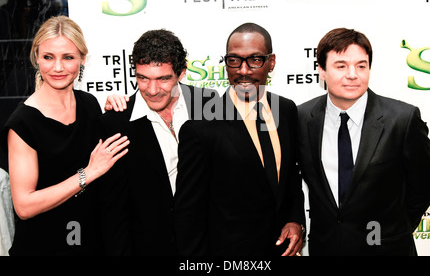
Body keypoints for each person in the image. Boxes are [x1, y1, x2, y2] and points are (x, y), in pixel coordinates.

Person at [297, 27, 430, 255]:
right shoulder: (301, 118)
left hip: (387, 249)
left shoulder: (401, 119)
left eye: (361, 66)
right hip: (326, 249)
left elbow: (425, 185)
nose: (353, 74)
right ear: (321, 71)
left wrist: (393, 230)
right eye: (341, 66)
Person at [0, 15, 130, 255]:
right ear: (37, 59)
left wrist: (114, 110)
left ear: (82, 59)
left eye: (68, 57)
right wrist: (87, 174)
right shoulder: (23, 123)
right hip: (45, 245)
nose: (57, 67)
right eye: (48, 57)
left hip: (90, 240)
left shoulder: (90, 104)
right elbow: (24, 206)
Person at [174, 23, 305, 256]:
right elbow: (189, 215)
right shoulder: (201, 128)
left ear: (271, 62)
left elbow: (291, 176)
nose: (243, 70)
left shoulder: (285, 110)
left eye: (255, 60)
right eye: (234, 60)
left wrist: (295, 220)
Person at [96, 29, 218, 255]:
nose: (152, 90)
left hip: (206, 247)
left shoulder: (208, 103)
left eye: (163, 79)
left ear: (181, 73)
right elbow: (113, 212)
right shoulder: (116, 123)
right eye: (143, 78)